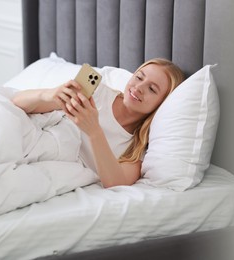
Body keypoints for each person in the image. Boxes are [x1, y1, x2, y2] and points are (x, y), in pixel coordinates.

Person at [12, 58, 184, 188]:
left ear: (162, 104)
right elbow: (17, 102)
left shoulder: (135, 148)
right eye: (139, 77)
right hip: (28, 133)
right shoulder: (96, 91)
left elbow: (116, 184)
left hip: (53, 166)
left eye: (152, 89)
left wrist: (94, 132)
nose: (139, 87)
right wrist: (50, 95)